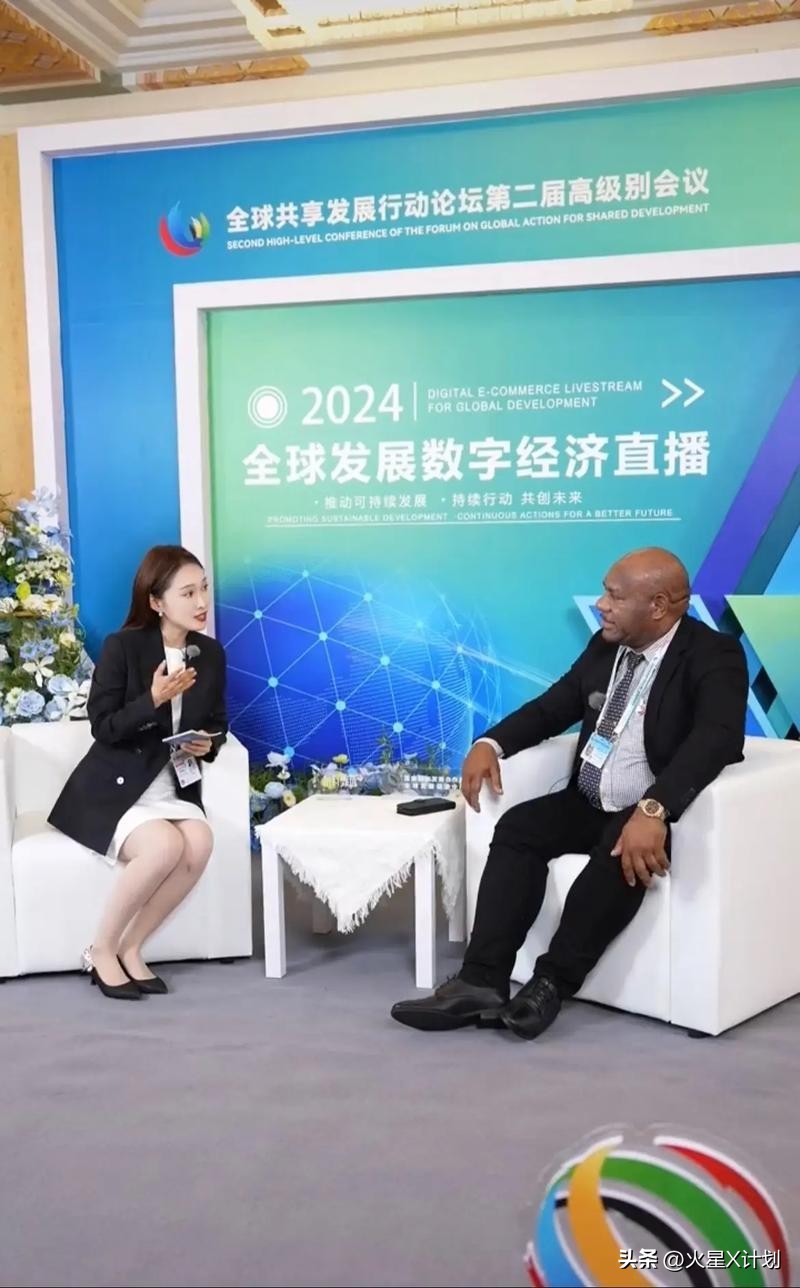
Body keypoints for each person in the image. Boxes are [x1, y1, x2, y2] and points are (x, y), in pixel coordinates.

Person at [391, 547, 748, 1040]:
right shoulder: (607, 645)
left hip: (646, 808)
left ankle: (550, 984)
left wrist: (654, 808)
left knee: (619, 851)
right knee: (519, 828)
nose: (602, 605)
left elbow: (717, 737)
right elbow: (554, 707)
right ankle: (481, 980)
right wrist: (489, 743)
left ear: (659, 605)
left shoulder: (713, 654)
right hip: (589, 799)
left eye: (615, 597)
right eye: (604, 592)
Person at [49, 546, 227, 1001]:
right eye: (188, 593)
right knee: (165, 845)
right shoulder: (123, 647)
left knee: (199, 842)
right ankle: (101, 950)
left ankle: (131, 947)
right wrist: (154, 700)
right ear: (156, 601)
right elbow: (104, 727)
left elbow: (218, 722)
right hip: (116, 789)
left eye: (204, 588)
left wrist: (208, 743)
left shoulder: (210, 653)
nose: (201, 602)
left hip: (172, 785)